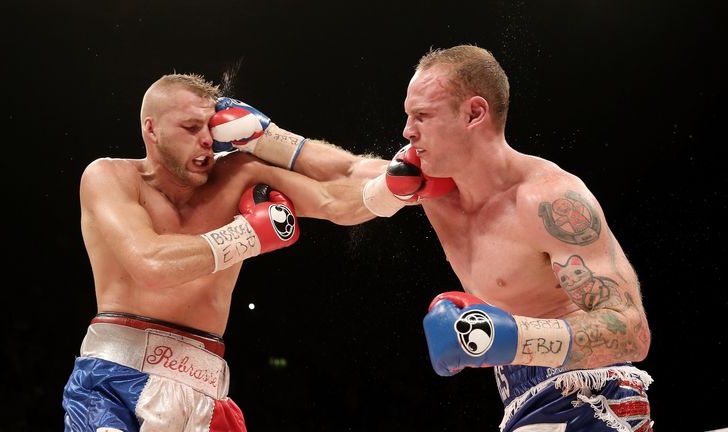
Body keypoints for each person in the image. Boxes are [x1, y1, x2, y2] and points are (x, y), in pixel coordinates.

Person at [219, 45, 653, 431]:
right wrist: (265, 138)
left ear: (474, 113)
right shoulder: (429, 183)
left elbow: (633, 332)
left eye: (422, 116)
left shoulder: (550, 202)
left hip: (593, 390)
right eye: (409, 115)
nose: (408, 130)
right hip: (520, 394)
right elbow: (348, 171)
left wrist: (510, 336)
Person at [61, 73, 384, 431]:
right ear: (151, 130)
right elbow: (151, 264)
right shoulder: (111, 177)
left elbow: (341, 196)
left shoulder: (240, 174)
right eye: (190, 127)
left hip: (207, 393)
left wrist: (272, 140)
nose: (205, 141)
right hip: (113, 386)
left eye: (210, 128)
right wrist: (247, 234)